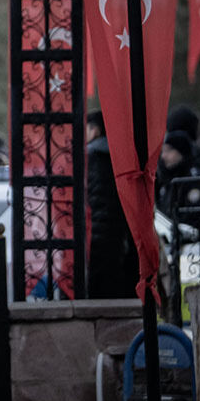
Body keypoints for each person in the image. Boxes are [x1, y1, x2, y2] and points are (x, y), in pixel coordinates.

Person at [85, 110, 138, 299]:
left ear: (95, 130)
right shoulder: (124, 154)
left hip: (96, 235)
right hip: (122, 234)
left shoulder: (90, 155)